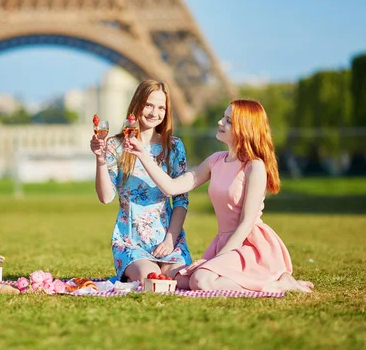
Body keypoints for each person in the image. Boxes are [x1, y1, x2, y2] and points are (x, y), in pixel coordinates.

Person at [125, 99, 314, 292]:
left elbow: (246, 224)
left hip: (248, 244)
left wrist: (216, 261)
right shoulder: (215, 161)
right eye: (223, 117)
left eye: (228, 120)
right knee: (182, 281)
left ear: (245, 128)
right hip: (224, 241)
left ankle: (275, 285)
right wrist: (142, 155)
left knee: (201, 281)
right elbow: (172, 187)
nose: (220, 122)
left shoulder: (254, 166)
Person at [90, 79, 192, 283]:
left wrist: (170, 241)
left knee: (183, 281)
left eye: (161, 107)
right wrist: (100, 159)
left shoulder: (174, 146)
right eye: (149, 105)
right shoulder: (116, 145)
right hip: (131, 240)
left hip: (167, 237)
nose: (155, 113)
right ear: (137, 105)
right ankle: (133, 270)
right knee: (151, 278)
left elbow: (181, 201)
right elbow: (106, 197)